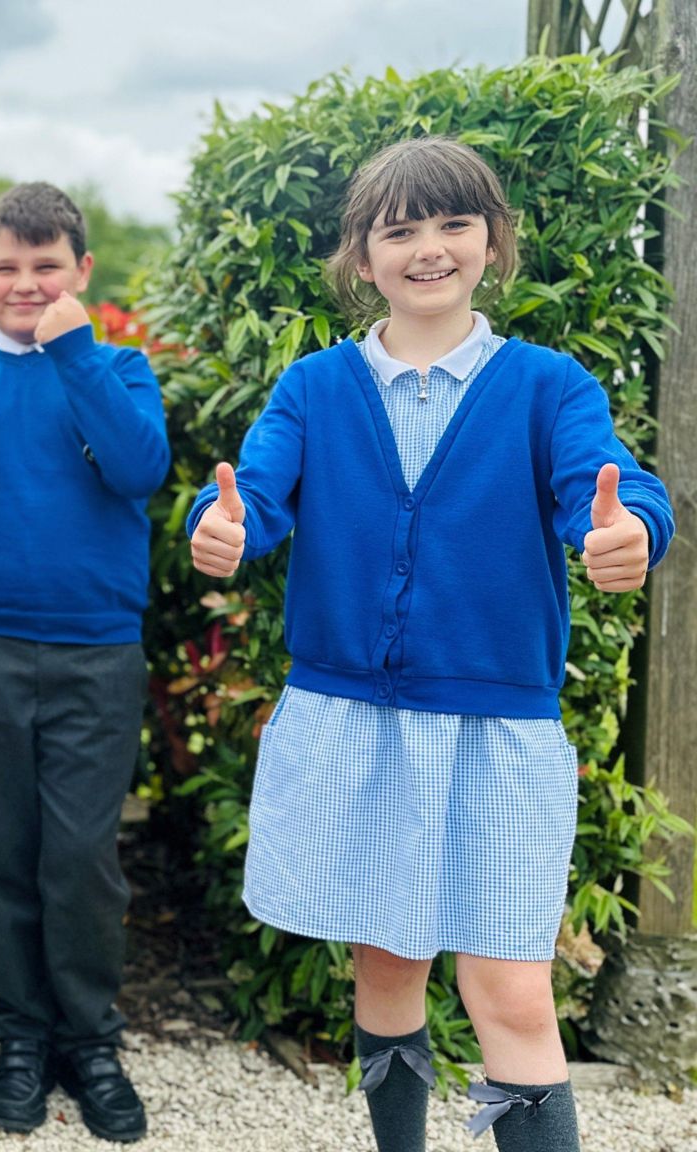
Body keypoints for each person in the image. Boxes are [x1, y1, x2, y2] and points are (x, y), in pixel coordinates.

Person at [188, 135, 673, 1152]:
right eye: (396, 228)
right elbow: (253, 496)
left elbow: (611, 487)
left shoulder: (545, 387)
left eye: (451, 223)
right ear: (359, 259)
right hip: (351, 721)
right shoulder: (313, 389)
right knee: (384, 968)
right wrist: (222, 526)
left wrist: (623, 530)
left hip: (495, 730)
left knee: (509, 991)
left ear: (491, 243)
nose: (426, 247)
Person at [0, 181, 169, 1142]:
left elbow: (139, 469)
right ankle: (20, 1037)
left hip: (97, 654)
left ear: (81, 274)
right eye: (6, 266)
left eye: (46, 266)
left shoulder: (117, 367)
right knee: (4, 856)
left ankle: (91, 1041)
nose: (25, 282)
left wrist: (76, 351)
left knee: (82, 860)